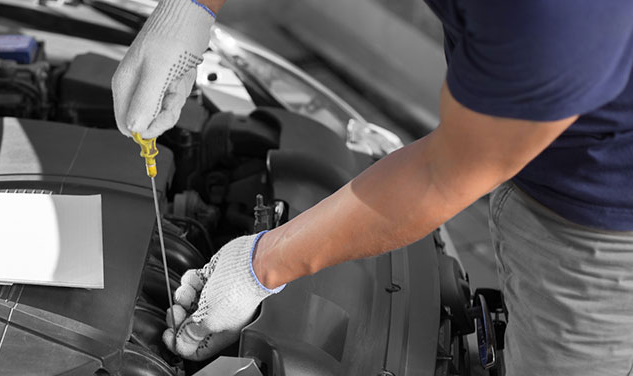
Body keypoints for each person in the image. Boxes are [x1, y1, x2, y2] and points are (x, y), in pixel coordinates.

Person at [111, 0, 633, 373]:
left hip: (601, 226)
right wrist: (189, 10)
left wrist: (258, 267)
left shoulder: (557, 20)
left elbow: (440, 177)